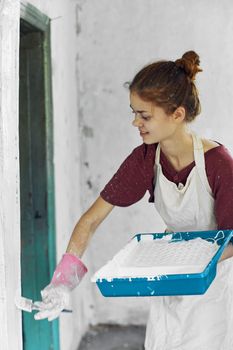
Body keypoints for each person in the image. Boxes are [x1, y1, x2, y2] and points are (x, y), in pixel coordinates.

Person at [34, 51, 233, 349]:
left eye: (144, 115)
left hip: (215, 286)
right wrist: (63, 282)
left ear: (177, 114)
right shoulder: (145, 159)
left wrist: (191, 267)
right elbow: (91, 220)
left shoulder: (218, 163)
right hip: (170, 281)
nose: (134, 122)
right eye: (134, 112)